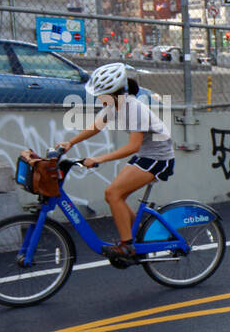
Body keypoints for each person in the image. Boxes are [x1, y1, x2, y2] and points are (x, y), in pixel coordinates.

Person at [57, 62, 174, 265]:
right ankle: (140, 231)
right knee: (113, 195)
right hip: (146, 154)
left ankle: (127, 245)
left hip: (159, 158)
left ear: (113, 93)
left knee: (113, 193)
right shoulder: (114, 105)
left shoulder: (133, 108)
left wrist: (99, 158)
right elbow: (96, 127)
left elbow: (133, 147)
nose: (98, 99)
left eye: (101, 95)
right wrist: (71, 143)